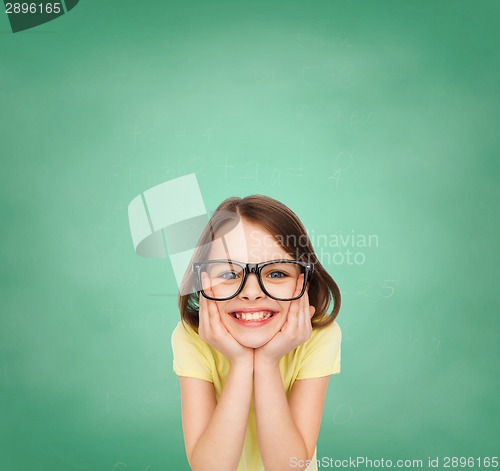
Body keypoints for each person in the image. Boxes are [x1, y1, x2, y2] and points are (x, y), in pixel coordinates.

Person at [171, 195, 342, 471]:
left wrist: (266, 361)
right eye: (229, 274)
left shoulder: (319, 335)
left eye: (276, 274)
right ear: (205, 283)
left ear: (302, 282)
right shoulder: (191, 337)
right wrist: (240, 363)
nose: (252, 293)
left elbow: (288, 467)